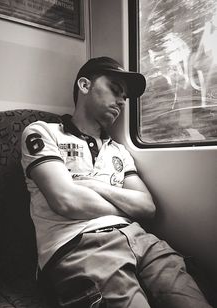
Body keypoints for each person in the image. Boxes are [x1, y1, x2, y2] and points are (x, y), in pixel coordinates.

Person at [21, 57, 212, 308]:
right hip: (80, 245)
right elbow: (66, 201)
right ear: (84, 85)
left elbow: (147, 208)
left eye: (124, 96)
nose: (122, 101)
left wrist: (93, 185)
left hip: (142, 240)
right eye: (114, 89)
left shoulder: (119, 151)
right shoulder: (43, 132)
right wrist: (125, 207)